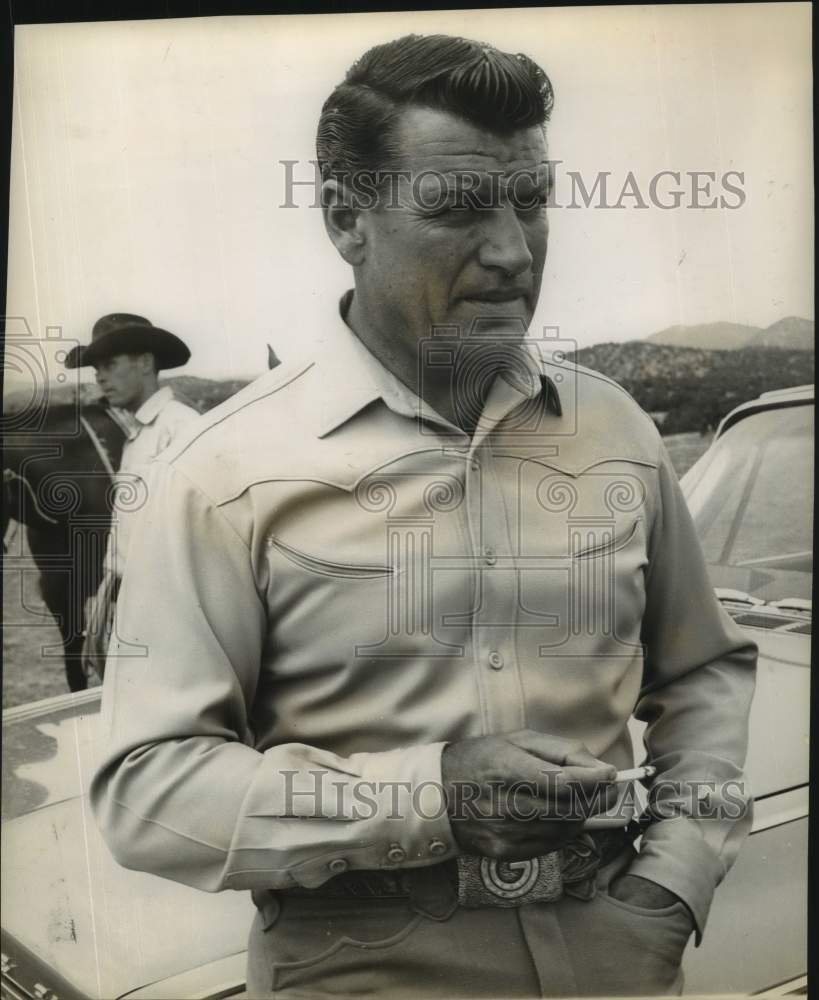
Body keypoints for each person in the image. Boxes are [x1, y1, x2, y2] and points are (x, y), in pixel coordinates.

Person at [91, 36, 757, 998]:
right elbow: (145, 795)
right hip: (360, 967)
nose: (511, 250)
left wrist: (676, 881)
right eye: (456, 208)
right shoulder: (219, 474)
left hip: (621, 954)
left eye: (531, 200)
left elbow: (705, 672)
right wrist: (430, 797)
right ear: (343, 218)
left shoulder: (615, 427)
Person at [64, 313, 199, 677]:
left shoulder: (180, 427)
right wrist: (107, 597)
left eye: (109, 364)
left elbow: (194, 537)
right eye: (95, 370)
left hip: (166, 612)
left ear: (145, 362)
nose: (100, 378)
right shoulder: (139, 433)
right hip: (130, 601)